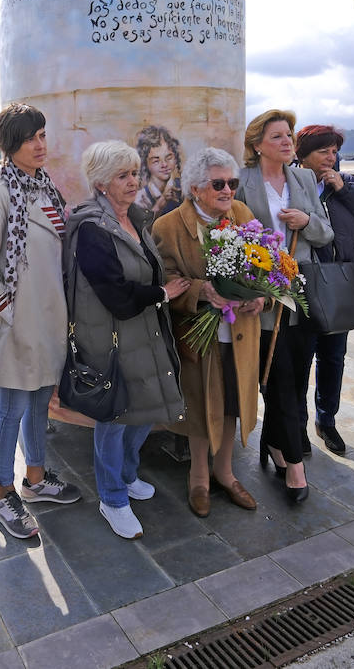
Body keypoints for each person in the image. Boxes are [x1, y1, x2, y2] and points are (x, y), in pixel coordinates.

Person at [0, 103, 82, 541]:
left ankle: (35, 481)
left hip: (48, 318)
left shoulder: (43, 186)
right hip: (16, 323)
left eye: (42, 135)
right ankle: (3, 493)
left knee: (40, 403)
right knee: (13, 406)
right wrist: (10, 315)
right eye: (30, 137)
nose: (40, 145)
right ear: (8, 144)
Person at [65, 141, 189, 538]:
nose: (134, 181)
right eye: (124, 175)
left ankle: (127, 475)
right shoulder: (91, 229)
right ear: (101, 183)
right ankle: (113, 498)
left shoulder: (136, 218)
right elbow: (115, 295)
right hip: (112, 337)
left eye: (135, 172)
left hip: (144, 331)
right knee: (116, 418)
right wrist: (163, 294)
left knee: (145, 409)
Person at [153, 146, 262, 516]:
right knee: (199, 407)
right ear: (196, 188)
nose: (228, 190)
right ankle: (198, 477)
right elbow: (163, 280)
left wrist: (261, 296)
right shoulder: (167, 227)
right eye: (218, 183)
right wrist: (202, 291)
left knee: (231, 402)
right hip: (198, 338)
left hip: (240, 333)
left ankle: (225, 472)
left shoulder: (243, 215)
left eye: (232, 183)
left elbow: (263, 265)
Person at [234, 110, 332, 503]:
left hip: (302, 293)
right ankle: (293, 461)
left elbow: (325, 234)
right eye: (277, 137)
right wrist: (254, 284)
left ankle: (275, 443)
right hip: (263, 296)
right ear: (257, 145)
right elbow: (231, 238)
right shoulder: (242, 182)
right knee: (276, 376)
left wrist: (305, 220)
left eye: (288, 135)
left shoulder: (305, 178)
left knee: (295, 375)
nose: (287, 142)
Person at [294, 124, 354, 454]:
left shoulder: (344, 184)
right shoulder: (290, 188)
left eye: (334, 152)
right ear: (301, 155)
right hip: (302, 287)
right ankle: (297, 426)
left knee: (333, 359)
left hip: (341, 286)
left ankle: (326, 420)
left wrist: (342, 188)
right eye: (323, 151)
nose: (330, 158)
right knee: (300, 361)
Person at [134, 125, 183, 217]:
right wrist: (161, 202)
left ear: (175, 157)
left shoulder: (184, 188)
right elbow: (142, 228)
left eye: (169, 158)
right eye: (156, 161)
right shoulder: (141, 199)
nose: (164, 164)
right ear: (145, 163)